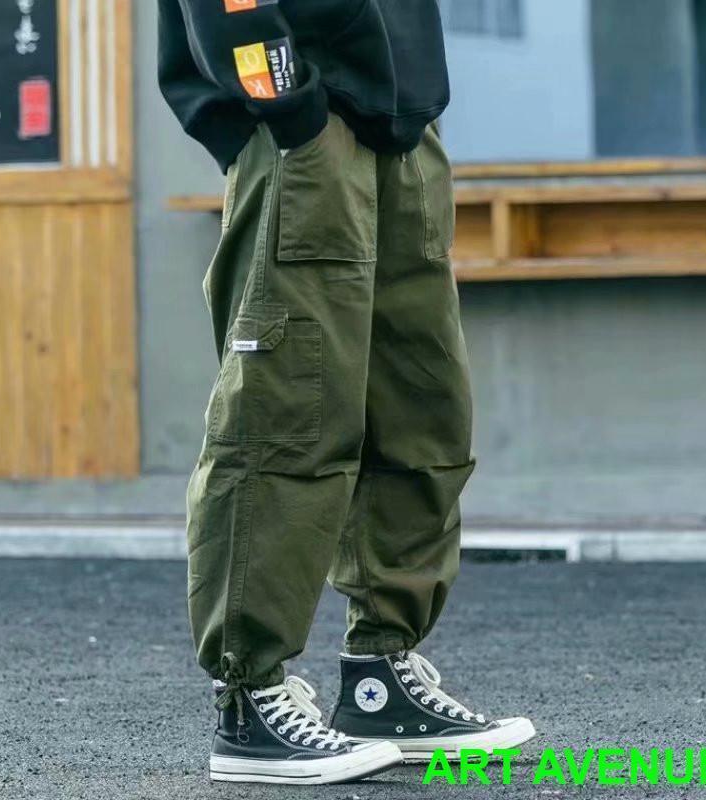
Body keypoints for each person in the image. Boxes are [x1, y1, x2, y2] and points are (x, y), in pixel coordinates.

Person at [158, 0, 536, 785]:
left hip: (402, 123)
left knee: (420, 411)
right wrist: (288, 107)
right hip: (304, 128)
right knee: (286, 413)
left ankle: (380, 675)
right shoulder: (296, 120)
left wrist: (415, 101)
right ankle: (249, 698)